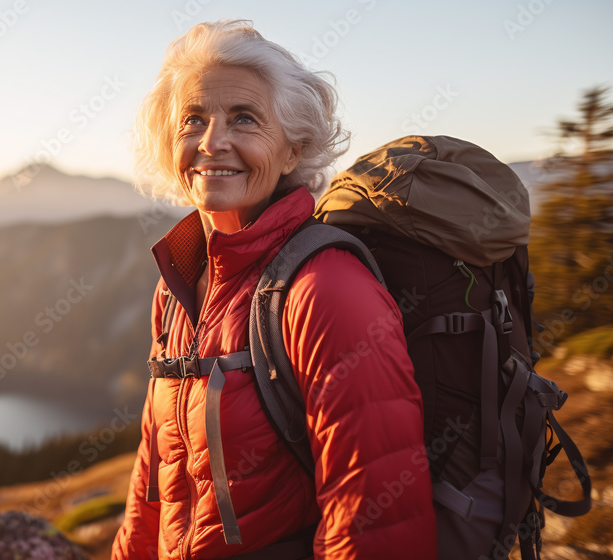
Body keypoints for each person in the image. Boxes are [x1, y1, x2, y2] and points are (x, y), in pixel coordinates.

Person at [112, 20, 436, 559]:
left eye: (244, 118)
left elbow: (374, 519)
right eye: (193, 119)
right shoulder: (178, 283)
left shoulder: (325, 288)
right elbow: (153, 477)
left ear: (293, 151)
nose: (212, 142)